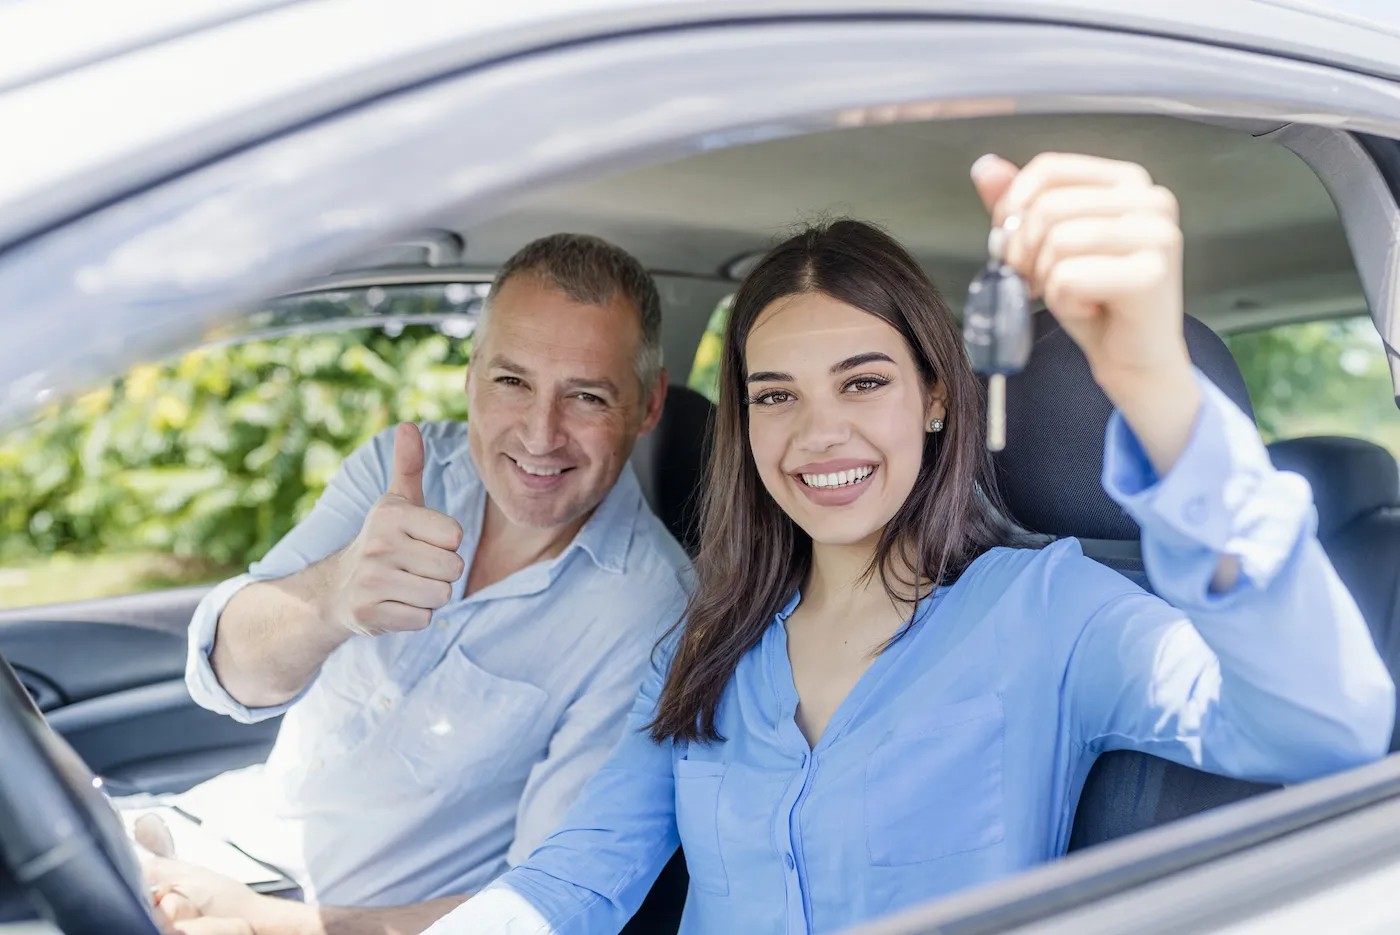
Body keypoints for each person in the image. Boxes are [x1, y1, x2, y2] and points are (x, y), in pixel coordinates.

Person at [158, 151, 1396, 935]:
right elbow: (572, 887)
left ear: (930, 397)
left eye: (860, 381)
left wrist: (1158, 394)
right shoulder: (706, 647)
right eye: (773, 393)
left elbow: (1323, 728)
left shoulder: (1051, 612)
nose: (817, 433)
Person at [139, 232, 691, 929]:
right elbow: (227, 675)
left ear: (648, 405)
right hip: (209, 833)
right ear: (472, 376)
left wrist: (258, 919)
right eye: (512, 381)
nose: (540, 433)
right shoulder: (401, 468)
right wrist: (332, 596)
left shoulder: (653, 614)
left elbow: (543, 901)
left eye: (586, 396)